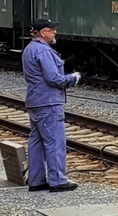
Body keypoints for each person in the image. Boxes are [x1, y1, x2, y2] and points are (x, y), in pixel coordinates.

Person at [22, 17, 80, 191]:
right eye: (52, 29)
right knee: (54, 141)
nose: (55, 32)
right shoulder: (43, 51)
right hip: (48, 102)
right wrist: (72, 79)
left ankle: (36, 180)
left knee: (36, 142)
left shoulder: (29, 49)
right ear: (42, 32)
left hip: (35, 101)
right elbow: (53, 78)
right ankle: (57, 180)